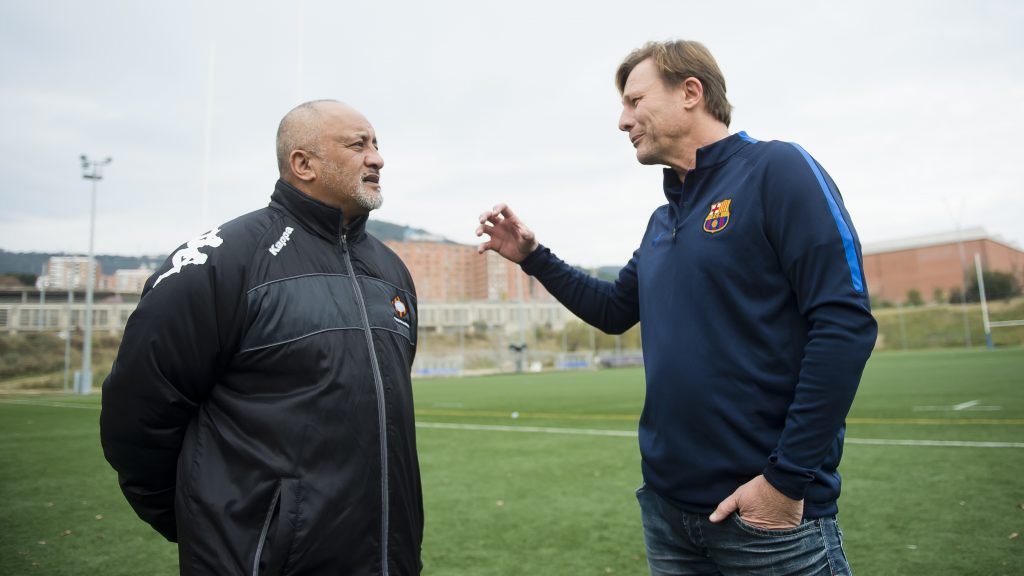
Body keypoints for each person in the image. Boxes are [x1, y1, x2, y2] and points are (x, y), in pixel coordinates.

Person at [477, 40, 876, 575]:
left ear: (692, 92)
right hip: (668, 514)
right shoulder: (664, 220)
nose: (623, 120)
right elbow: (616, 309)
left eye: (635, 101)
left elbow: (844, 324)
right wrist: (533, 257)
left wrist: (785, 482)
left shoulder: (777, 170)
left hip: (765, 518)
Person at [101, 100, 424, 575]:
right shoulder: (222, 261)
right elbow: (137, 414)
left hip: (386, 560)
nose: (377, 158)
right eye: (358, 145)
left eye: (376, 145)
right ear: (303, 163)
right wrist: (212, 524)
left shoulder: (392, 270)